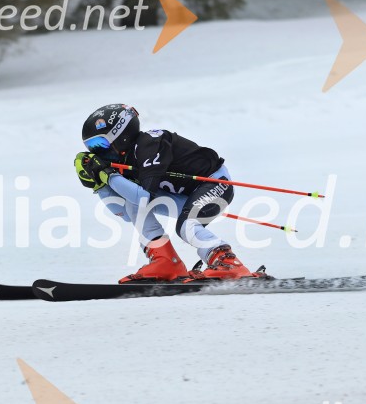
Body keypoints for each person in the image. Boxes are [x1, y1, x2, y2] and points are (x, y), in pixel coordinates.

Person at [74, 103, 253, 284]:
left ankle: (228, 262)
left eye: (100, 144)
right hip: (188, 196)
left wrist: (108, 175)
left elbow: (143, 197)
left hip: (216, 183)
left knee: (186, 226)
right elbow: (124, 212)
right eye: (91, 147)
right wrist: (99, 185)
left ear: (122, 135)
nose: (97, 152)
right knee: (132, 202)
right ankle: (166, 262)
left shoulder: (149, 145)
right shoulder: (126, 160)